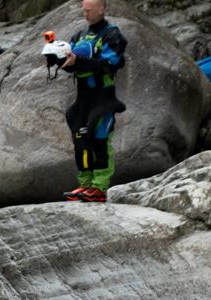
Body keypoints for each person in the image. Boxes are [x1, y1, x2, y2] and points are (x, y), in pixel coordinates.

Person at [60, 0, 127, 203]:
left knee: (100, 140)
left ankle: (100, 187)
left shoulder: (112, 35)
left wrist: (79, 61)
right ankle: (86, 184)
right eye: (84, 10)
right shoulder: (80, 35)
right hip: (83, 99)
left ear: (101, 9)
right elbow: (70, 63)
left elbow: (110, 63)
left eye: (89, 10)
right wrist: (58, 58)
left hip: (103, 98)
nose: (85, 14)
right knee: (81, 142)